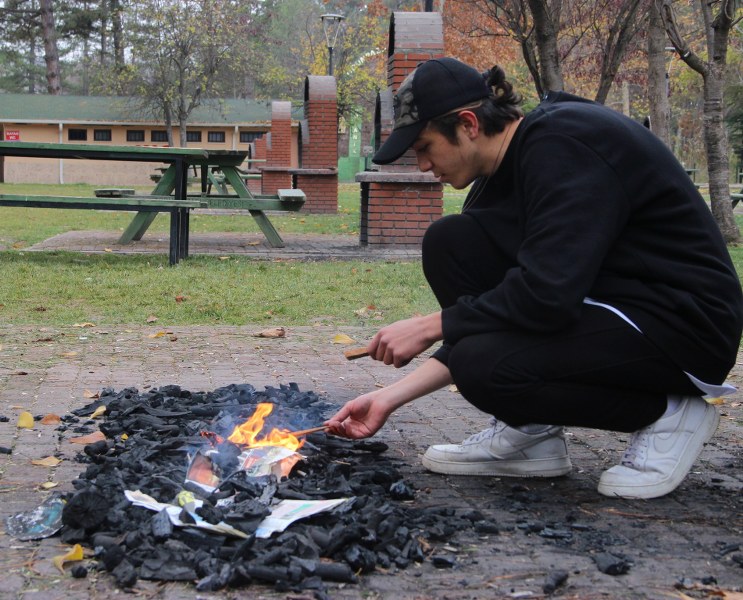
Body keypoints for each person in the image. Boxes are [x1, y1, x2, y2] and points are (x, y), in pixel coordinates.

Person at [325, 57, 743, 499]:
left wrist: (431, 325)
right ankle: (531, 432)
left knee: (483, 365)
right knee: (452, 241)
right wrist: (390, 397)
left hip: (680, 325)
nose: (424, 165)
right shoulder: (497, 171)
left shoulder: (565, 144)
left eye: (426, 147)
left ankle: (670, 412)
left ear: (467, 123)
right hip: (605, 303)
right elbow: (491, 317)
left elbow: (545, 295)